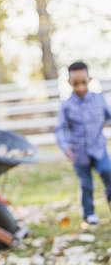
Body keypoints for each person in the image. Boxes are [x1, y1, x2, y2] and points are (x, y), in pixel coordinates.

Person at [55, 61, 111, 226]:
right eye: (75, 84)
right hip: (79, 152)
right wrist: (65, 147)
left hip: (98, 148)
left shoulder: (99, 99)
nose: (80, 88)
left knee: (108, 174)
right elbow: (60, 129)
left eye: (83, 83)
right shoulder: (66, 105)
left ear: (89, 79)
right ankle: (89, 214)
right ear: (69, 83)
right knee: (86, 184)